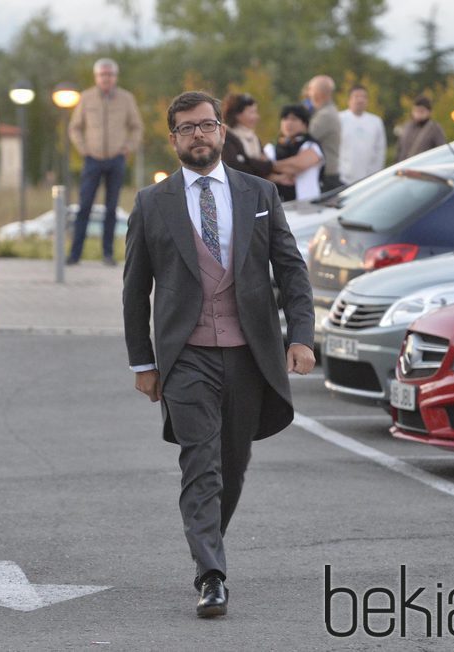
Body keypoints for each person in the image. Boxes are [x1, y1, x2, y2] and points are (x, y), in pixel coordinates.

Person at [123, 91, 315, 618]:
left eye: (207, 125)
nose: (199, 135)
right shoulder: (151, 203)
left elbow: (291, 268)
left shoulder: (259, 193)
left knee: (232, 465)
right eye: (187, 128)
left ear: (222, 133)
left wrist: (301, 335)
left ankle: (211, 543)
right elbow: (135, 289)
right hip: (186, 356)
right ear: (174, 140)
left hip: (250, 354)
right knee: (200, 463)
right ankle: (211, 573)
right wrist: (144, 362)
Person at [67, 58, 144, 266]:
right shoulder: (86, 98)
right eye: (102, 75)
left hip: (116, 160)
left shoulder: (126, 99)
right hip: (92, 159)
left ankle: (107, 254)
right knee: (84, 207)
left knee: (111, 208)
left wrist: (128, 148)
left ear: (115, 77)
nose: (106, 78)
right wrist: (83, 149)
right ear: (96, 77)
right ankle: (75, 254)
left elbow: (136, 126)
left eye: (110, 74)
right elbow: (75, 127)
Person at [264, 104, 324, 201]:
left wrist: (269, 167)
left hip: (308, 207)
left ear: (304, 124)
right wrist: (278, 178)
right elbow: (258, 173)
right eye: (285, 119)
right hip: (279, 207)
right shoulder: (271, 147)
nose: (288, 123)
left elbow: (297, 165)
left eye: (294, 119)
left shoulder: (311, 145)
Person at [338, 84, 386, 185]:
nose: (360, 100)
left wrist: (376, 173)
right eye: (356, 96)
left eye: (364, 97)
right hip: (343, 179)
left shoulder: (376, 121)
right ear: (349, 100)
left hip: (369, 179)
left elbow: (380, 150)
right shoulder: (339, 119)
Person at [220, 92, 272, 179]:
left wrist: (247, 160)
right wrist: (257, 163)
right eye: (252, 112)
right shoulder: (226, 136)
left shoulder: (254, 138)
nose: (257, 117)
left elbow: (267, 166)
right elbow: (235, 167)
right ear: (237, 114)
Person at [306, 75, 342, 192]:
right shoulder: (326, 112)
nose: (308, 94)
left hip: (325, 177)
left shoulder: (325, 115)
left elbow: (306, 137)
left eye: (310, 89)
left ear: (318, 93)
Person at [396, 95, 447, 162]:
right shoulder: (407, 127)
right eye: (416, 111)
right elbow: (399, 150)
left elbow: (441, 152)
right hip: (404, 168)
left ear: (429, 112)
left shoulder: (435, 129)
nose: (418, 114)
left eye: (421, 111)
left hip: (424, 168)